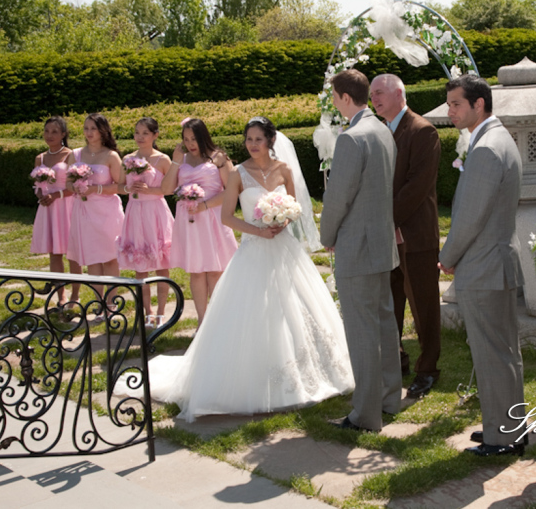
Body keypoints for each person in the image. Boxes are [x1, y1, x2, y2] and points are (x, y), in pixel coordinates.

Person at [131, 117, 353, 419]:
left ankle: (303, 370)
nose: (252, 144)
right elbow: (227, 217)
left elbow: (295, 207)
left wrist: (282, 220)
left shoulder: (284, 170)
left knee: (292, 306)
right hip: (253, 246)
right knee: (251, 311)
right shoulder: (237, 173)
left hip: (283, 247)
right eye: (248, 139)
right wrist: (258, 230)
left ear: (270, 141)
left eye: (258, 139)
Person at [438, 74, 525, 457]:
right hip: (493, 262)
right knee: (501, 352)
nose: (450, 110)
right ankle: (505, 427)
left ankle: (503, 438)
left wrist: (447, 256)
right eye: (449, 103)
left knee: (493, 354)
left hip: (483, 264)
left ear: (479, 104)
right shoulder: (495, 139)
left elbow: (470, 216)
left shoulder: (488, 146)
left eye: (456, 103)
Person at [320, 69, 402, 433]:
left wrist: (327, 234)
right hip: (382, 243)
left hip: (358, 246)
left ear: (342, 96)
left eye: (333, 96)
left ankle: (366, 415)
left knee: (362, 331)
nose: (333, 102)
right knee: (384, 324)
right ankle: (388, 398)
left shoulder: (352, 138)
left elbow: (339, 197)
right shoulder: (383, 130)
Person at [370, 73, 442, 399]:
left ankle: (427, 369)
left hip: (415, 235)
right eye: (371, 95)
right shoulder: (379, 131)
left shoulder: (422, 130)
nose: (375, 100)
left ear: (400, 93)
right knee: (390, 302)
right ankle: (395, 358)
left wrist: (385, 220)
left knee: (424, 305)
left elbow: (417, 186)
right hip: (389, 238)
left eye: (380, 93)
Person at [162, 118, 238, 324]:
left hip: (212, 218)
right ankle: (202, 322)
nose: (190, 144)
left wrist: (205, 205)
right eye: (186, 139)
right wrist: (176, 161)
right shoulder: (182, 159)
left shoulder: (219, 157)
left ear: (203, 137)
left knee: (214, 271)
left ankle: (219, 321)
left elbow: (232, 189)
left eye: (194, 139)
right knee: (196, 272)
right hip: (189, 221)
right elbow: (167, 189)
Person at [117, 117, 175, 327]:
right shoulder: (127, 159)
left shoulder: (163, 160)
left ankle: (161, 311)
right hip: (135, 211)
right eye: (137, 133)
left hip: (156, 212)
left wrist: (150, 191)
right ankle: (147, 311)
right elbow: (120, 186)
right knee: (140, 267)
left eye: (145, 133)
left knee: (161, 264)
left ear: (155, 135)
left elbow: (172, 188)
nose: (140, 137)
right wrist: (128, 189)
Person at [65, 114, 125, 291]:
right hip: (84, 211)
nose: (89, 132)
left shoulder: (111, 156)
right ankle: (98, 302)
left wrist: (96, 189)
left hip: (107, 211)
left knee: (109, 256)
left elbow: (121, 186)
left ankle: (112, 301)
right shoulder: (75, 155)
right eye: (86, 128)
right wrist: (75, 187)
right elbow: (67, 181)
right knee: (92, 256)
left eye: (93, 128)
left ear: (103, 131)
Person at [29, 116, 80, 304]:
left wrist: (57, 195)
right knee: (54, 252)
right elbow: (37, 185)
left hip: (66, 205)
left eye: (55, 132)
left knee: (73, 252)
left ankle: (75, 296)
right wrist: (39, 195)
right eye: (47, 131)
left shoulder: (71, 155)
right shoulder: (40, 158)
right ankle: (61, 296)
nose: (49, 135)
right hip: (48, 209)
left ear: (63, 134)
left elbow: (76, 184)